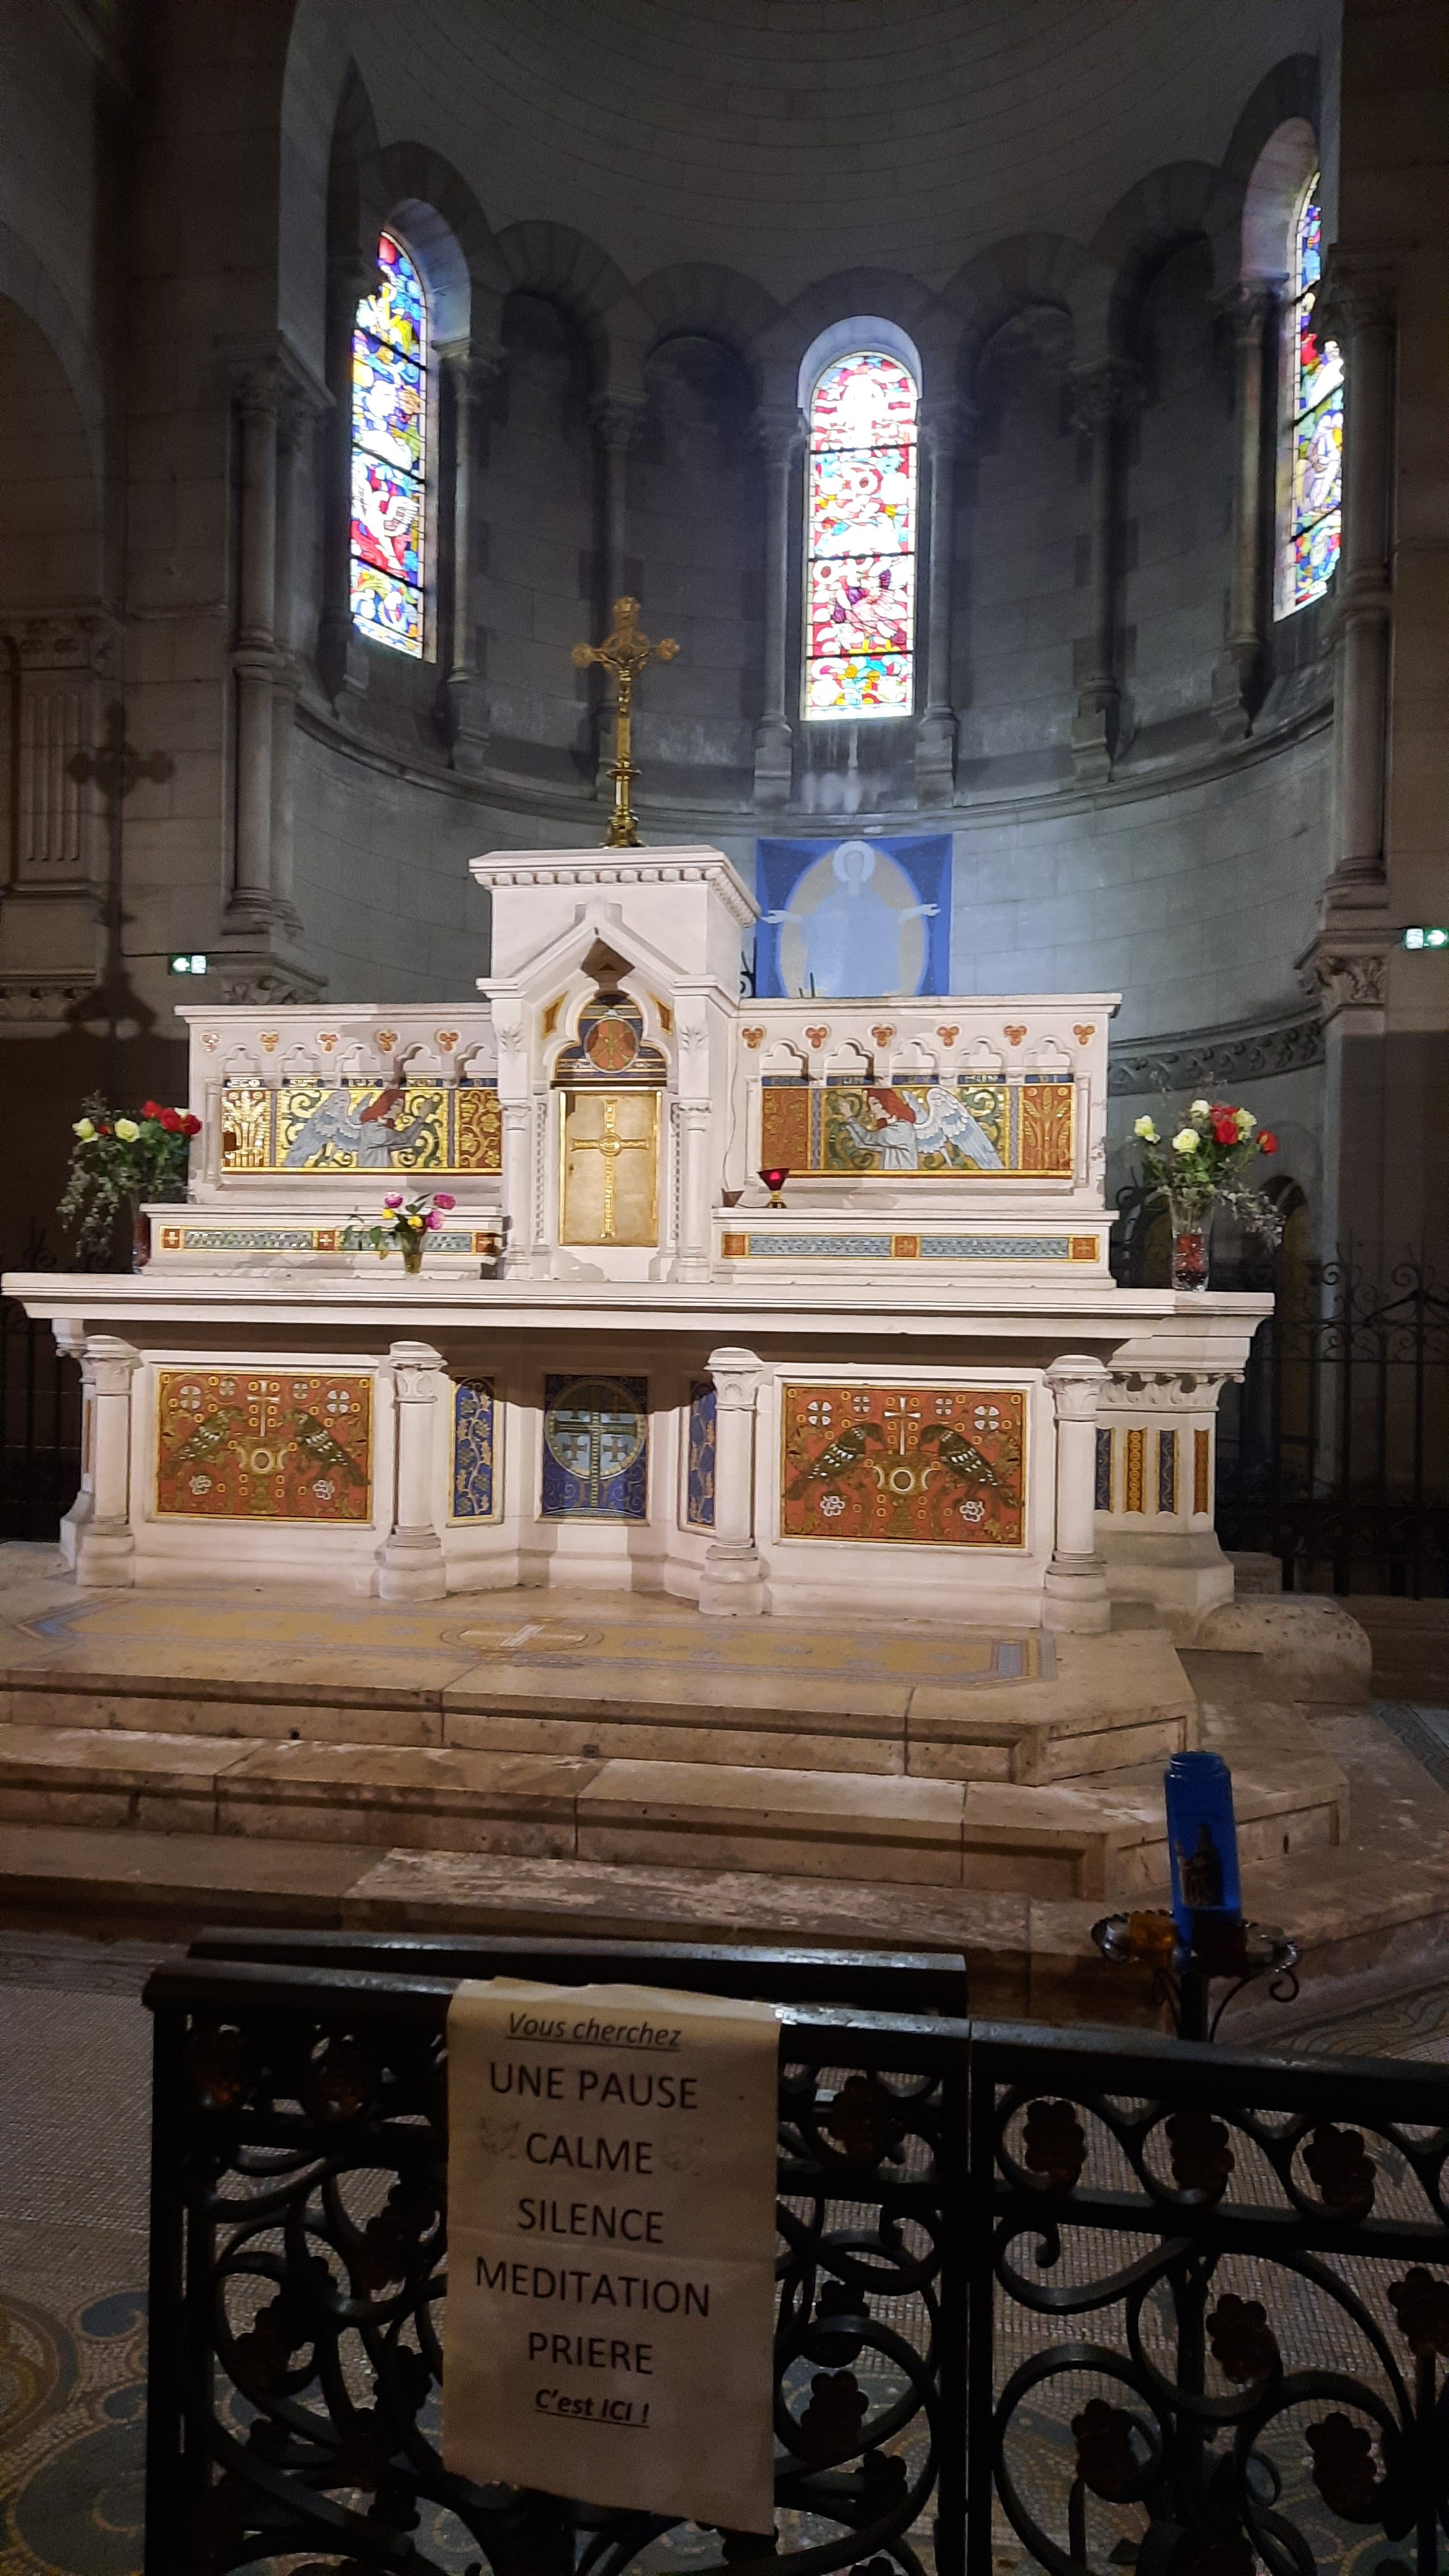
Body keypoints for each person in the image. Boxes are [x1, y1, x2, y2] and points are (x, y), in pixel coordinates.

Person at [762, 839, 938, 997]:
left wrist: (919, 910)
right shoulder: (834, 900)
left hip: (867, 962)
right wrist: (787, 916)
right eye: (851, 862)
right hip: (843, 959)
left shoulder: (872, 899)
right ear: (844, 866)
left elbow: (890, 917)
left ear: (864, 867)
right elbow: (815, 921)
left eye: (858, 862)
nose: (855, 866)